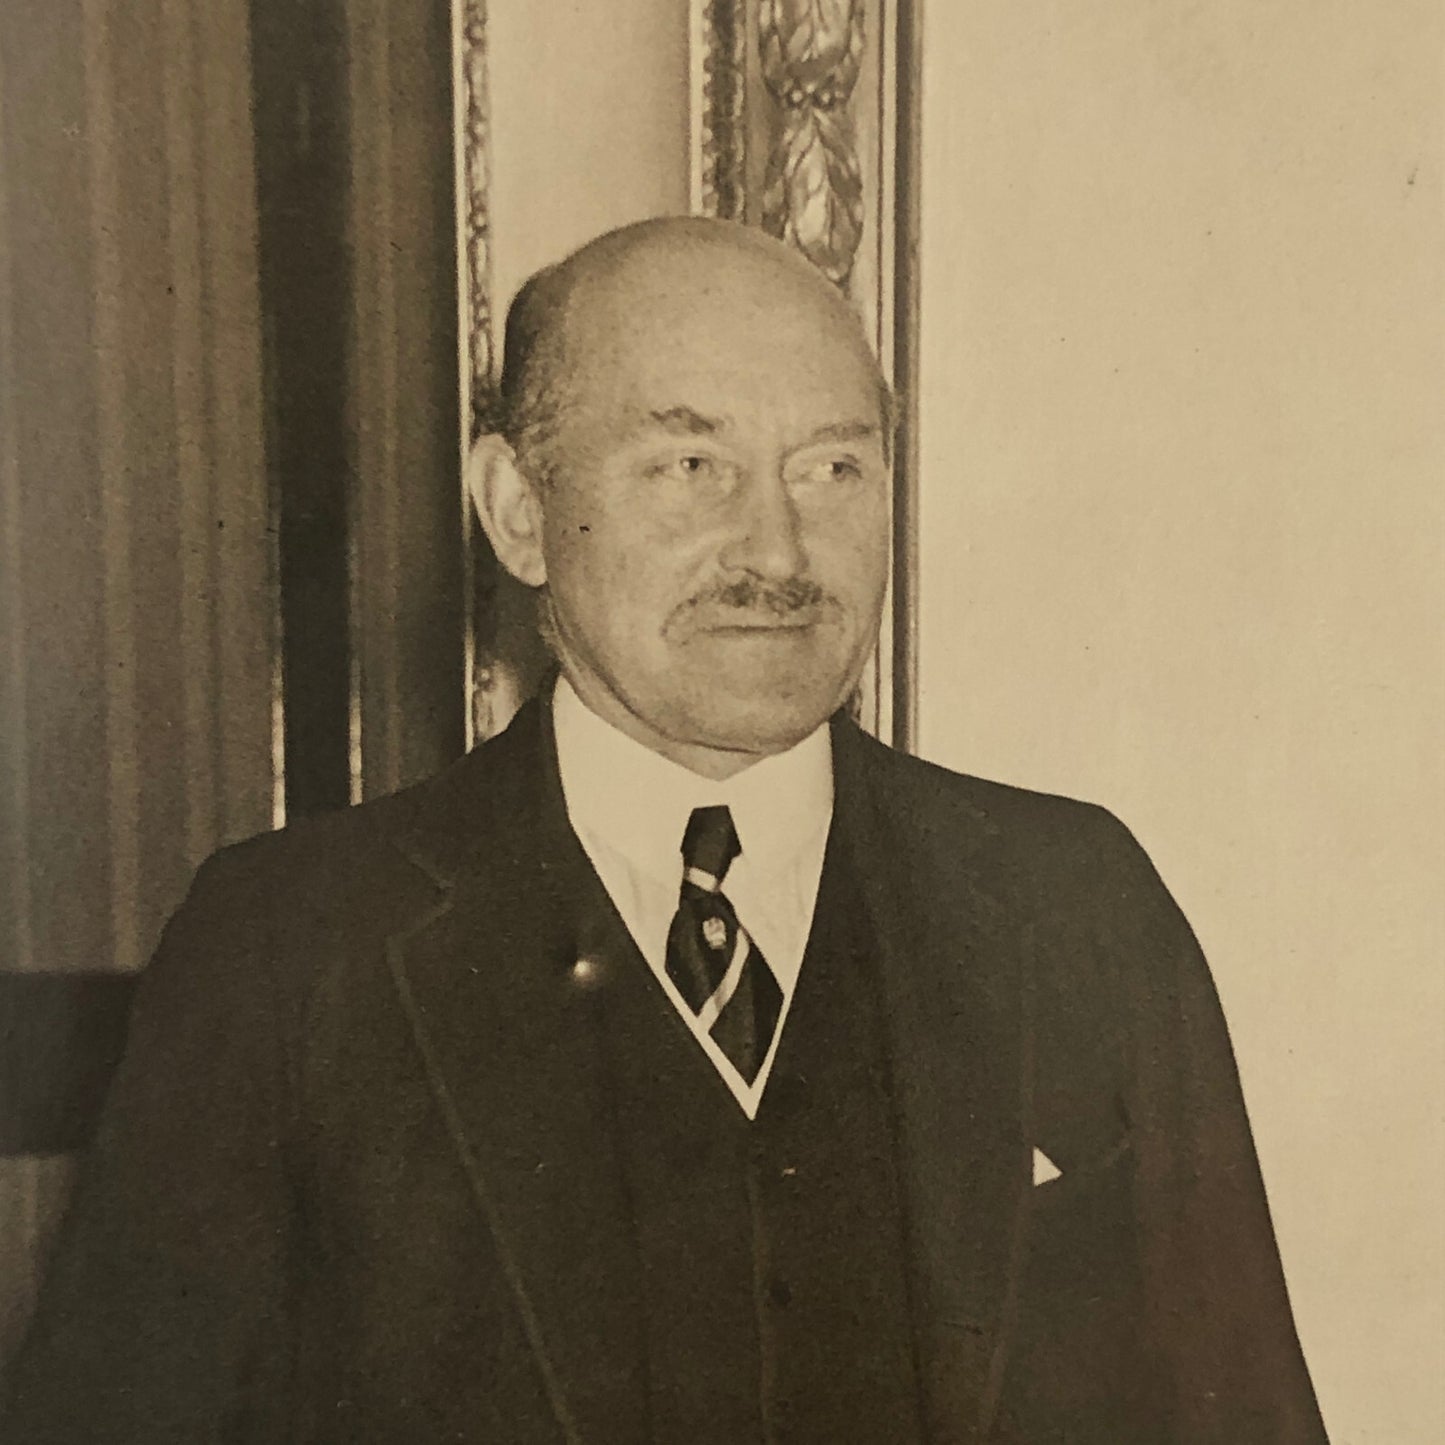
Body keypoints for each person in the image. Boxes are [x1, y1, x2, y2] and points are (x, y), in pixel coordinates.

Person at [1, 218, 1326, 1443]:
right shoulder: (288, 949)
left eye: (833, 464)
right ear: (519, 510)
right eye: (690, 462)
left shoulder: (1073, 904)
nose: (777, 542)